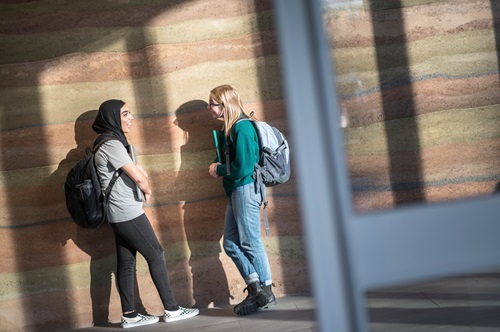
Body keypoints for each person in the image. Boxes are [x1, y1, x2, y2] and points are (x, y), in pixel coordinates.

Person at [92, 99, 199, 328]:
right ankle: (171, 309)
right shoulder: (111, 144)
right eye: (126, 114)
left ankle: (130, 315)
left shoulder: (110, 142)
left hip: (119, 211)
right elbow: (138, 176)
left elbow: (134, 170)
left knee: (127, 261)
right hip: (126, 211)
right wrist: (147, 189)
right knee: (156, 254)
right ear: (112, 118)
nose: (131, 118)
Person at [207, 85, 276, 315]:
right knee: (230, 244)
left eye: (213, 103)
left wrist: (220, 169)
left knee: (250, 241)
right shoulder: (231, 129)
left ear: (225, 104)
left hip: (246, 189)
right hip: (236, 191)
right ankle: (256, 287)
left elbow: (244, 167)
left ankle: (265, 290)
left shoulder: (243, 128)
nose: (210, 108)